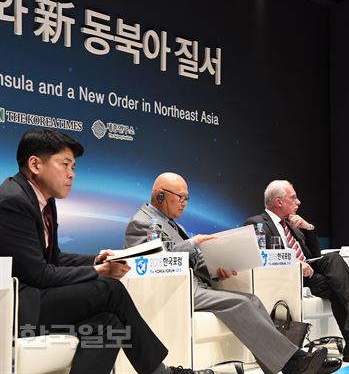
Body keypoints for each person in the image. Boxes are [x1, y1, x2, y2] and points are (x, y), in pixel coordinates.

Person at [0, 129, 211, 374]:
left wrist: (96, 258)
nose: (71, 174)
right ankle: (160, 372)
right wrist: (98, 271)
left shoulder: (44, 200)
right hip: (20, 308)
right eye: (65, 165)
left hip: (38, 299)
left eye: (74, 167)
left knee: (107, 325)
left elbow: (53, 256)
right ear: (35, 164)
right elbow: (38, 274)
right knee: (111, 289)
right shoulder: (13, 201)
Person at [124, 173, 337, 374]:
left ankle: (289, 363)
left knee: (252, 300)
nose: (185, 202)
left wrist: (217, 269)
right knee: (242, 303)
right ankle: (296, 360)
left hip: (193, 286)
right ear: (160, 194)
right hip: (175, 290)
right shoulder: (141, 223)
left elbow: (194, 261)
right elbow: (154, 261)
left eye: (187, 198)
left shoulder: (169, 223)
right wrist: (193, 242)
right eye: (181, 197)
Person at [246, 180, 349, 364]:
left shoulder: (292, 224)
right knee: (337, 288)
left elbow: (314, 255)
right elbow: (261, 258)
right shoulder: (256, 223)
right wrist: (295, 264)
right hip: (287, 277)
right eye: (294, 198)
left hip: (310, 273)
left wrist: (308, 228)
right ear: (279, 201)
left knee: (334, 258)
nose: (298, 202)